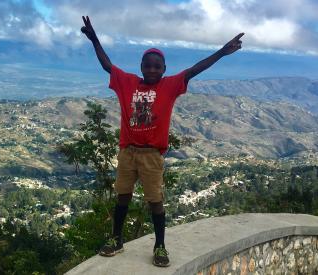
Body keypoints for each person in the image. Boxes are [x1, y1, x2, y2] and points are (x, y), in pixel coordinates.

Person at [81, 15, 244, 267]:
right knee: (122, 196)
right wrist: (94, 39)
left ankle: (159, 245)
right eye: (148, 65)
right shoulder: (128, 83)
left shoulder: (170, 86)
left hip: (151, 155)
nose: (152, 70)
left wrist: (222, 51)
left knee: (155, 200)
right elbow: (107, 66)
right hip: (127, 152)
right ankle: (116, 238)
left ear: (164, 69)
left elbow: (194, 70)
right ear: (141, 66)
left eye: (157, 66)